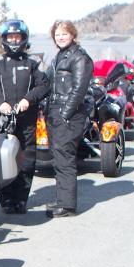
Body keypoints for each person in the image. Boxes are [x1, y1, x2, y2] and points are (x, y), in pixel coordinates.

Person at [0, 19, 49, 214]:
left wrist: (28, 99)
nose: (13, 40)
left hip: (26, 118)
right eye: (10, 36)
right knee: (1, 158)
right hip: (2, 120)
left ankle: (21, 199)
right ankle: (6, 200)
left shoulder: (34, 62)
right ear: (4, 39)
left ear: (23, 38)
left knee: (27, 160)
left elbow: (44, 85)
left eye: (17, 36)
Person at [44, 19, 94, 218]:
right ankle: (61, 199)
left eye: (64, 33)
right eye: (57, 35)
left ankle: (68, 206)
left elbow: (80, 89)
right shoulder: (59, 56)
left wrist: (65, 114)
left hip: (69, 113)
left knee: (65, 157)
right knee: (57, 157)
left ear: (72, 34)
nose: (60, 37)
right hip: (54, 111)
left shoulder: (80, 57)